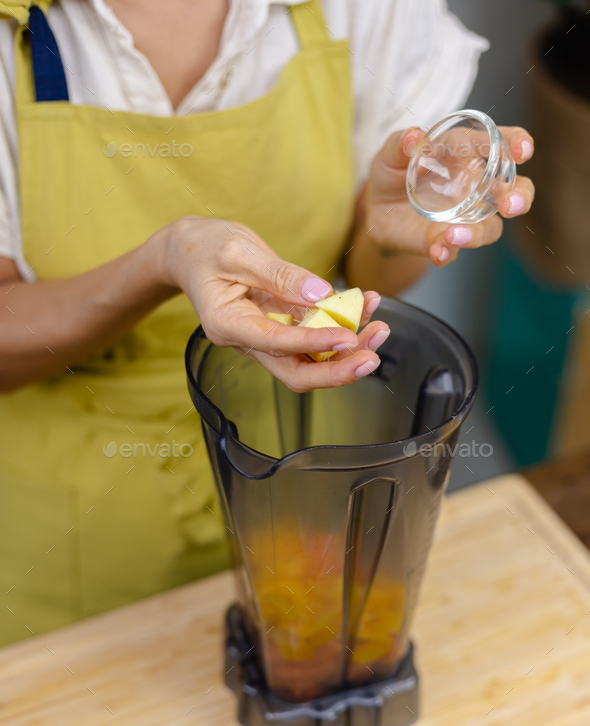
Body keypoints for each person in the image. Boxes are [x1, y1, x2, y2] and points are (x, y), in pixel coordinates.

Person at [0, 0, 535, 646]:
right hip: (75, 549)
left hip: (303, 493)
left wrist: (390, 235)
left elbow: (373, 272)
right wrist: (159, 263)